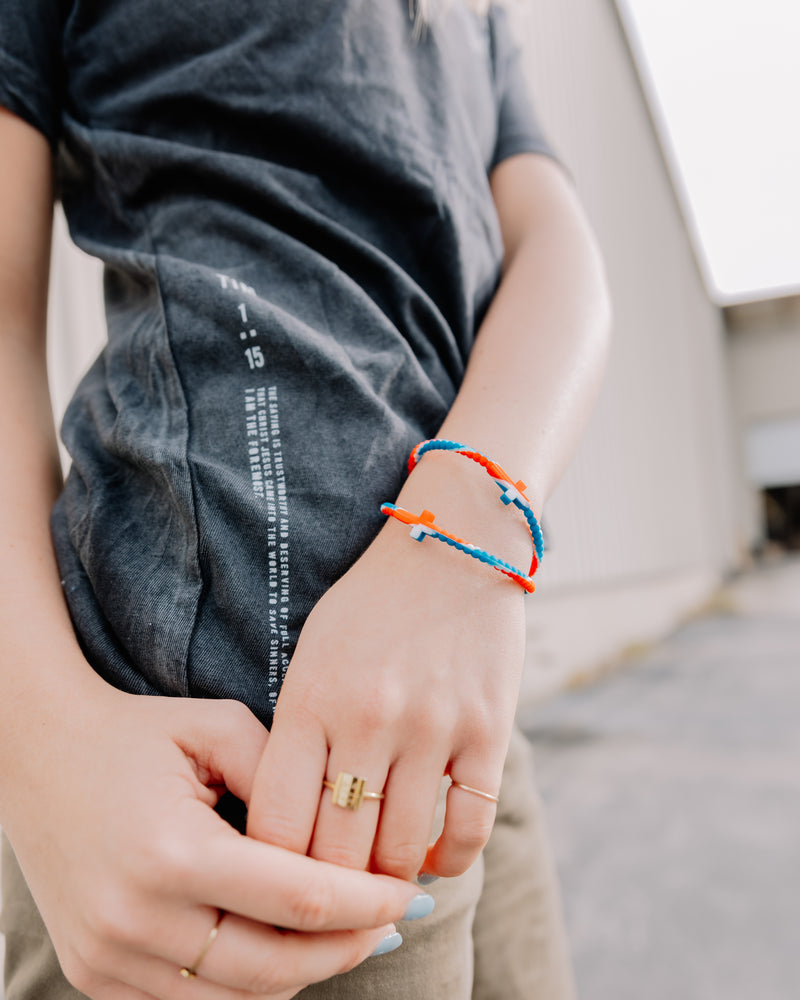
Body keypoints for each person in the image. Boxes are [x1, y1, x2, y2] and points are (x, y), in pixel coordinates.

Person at [0, 0, 611, 997]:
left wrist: (465, 531)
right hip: (232, 759)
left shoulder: (481, 17)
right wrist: (38, 749)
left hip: (460, 702)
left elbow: (559, 249)